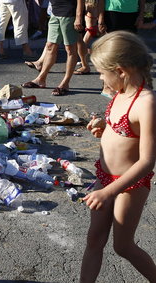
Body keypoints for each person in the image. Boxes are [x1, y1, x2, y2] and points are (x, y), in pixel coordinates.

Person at [80, 31, 156, 283]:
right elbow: (123, 131)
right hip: (104, 177)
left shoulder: (146, 103)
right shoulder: (120, 93)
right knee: (94, 239)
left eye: (102, 73)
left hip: (127, 185)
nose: (101, 78)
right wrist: (104, 126)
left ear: (121, 70)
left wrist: (109, 191)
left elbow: (146, 161)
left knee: (122, 246)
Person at [21, 0, 83, 96]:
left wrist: (78, 17)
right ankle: (41, 79)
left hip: (69, 14)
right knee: (50, 46)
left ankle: (65, 83)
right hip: (55, 13)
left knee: (70, 49)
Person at [74, 0, 103, 75]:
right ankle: (85, 61)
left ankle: (85, 62)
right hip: (91, 28)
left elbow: (92, 23)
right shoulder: (89, 4)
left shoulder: (91, 5)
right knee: (84, 45)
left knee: (82, 44)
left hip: (91, 29)